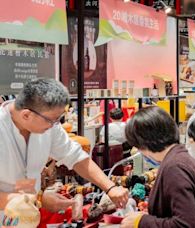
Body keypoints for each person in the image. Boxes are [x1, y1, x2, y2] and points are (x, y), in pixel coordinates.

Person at [0, 79, 129, 215]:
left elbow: (76, 157)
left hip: (29, 218)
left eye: (59, 119)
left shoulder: (49, 126)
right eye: (51, 120)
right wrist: (37, 200)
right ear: (26, 115)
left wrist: (110, 187)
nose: (54, 125)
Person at [121, 106, 195, 228]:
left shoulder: (175, 167)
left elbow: (185, 224)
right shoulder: (182, 159)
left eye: (138, 146)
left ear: (145, 142)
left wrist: (141, 222)